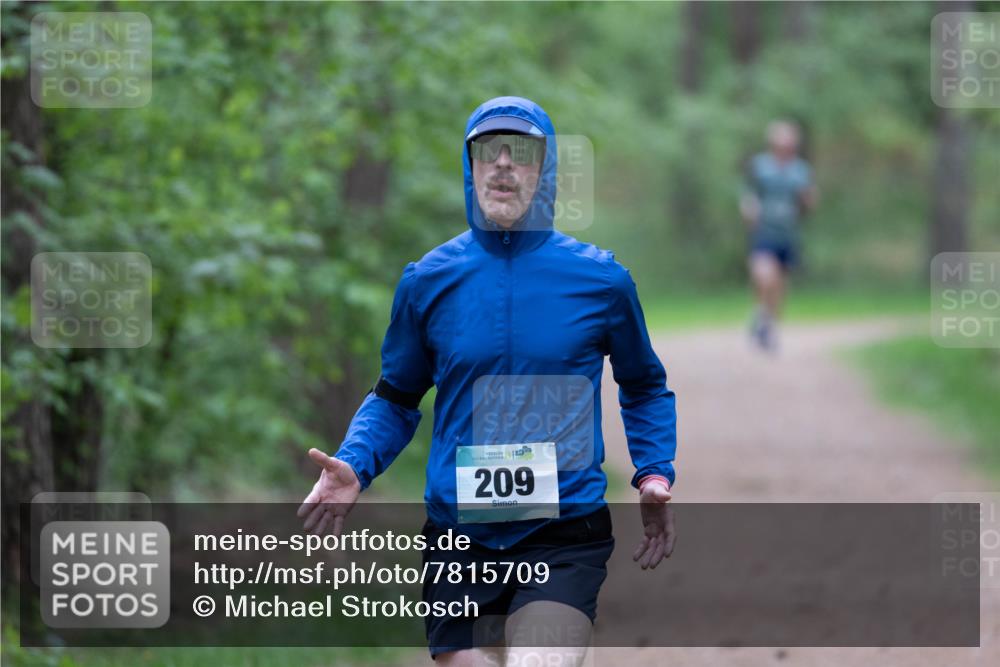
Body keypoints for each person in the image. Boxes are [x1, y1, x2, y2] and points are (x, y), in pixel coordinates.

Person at [298, 96, 677, 666]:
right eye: (487, 151)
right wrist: (357, 461)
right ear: (469, 167)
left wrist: (652, 469)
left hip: (563, 530)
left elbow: (644, 384)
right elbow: (396, 396)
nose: (502, 163)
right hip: (459, 535)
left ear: (544, 169)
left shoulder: (601, 281)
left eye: (520, 151)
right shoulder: (427, 281)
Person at [740, 120, 818, 351]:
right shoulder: (761, 166)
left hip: (788, 235)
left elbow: (808, 203)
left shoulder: (800, 170)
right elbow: (749, 193)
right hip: (764, 231)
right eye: (781, 141)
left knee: (779, 285)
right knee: (764, 275)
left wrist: (808, 201)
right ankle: (761, 315)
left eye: (789, 142)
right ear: (773, 142)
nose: (785, 145)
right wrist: (748, 208)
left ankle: (767, 324)